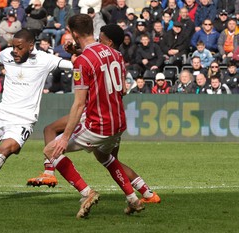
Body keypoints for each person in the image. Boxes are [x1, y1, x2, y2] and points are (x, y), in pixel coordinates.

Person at [28, 24, 160, 207]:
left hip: (97, 116)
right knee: (107, 158)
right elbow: (116, 80)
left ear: (109, 41)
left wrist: (65, 138)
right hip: (117, 119)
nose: (98, 39)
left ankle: (76, 186)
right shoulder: (118, 57)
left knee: (53, 141)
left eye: (102, 37)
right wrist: (79, 50)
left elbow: (86, 84)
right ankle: (142, 193)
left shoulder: (93, 59)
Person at [0, 29, 73, 205]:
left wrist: (78, 54)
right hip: (1, 114)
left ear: (30, 46)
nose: (15, 52)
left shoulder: (45, 59)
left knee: (3, 152)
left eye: (19, 48)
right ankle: (5, 140)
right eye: (13, 47)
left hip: (23, 120)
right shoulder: (7, 55)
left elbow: (72, 65)